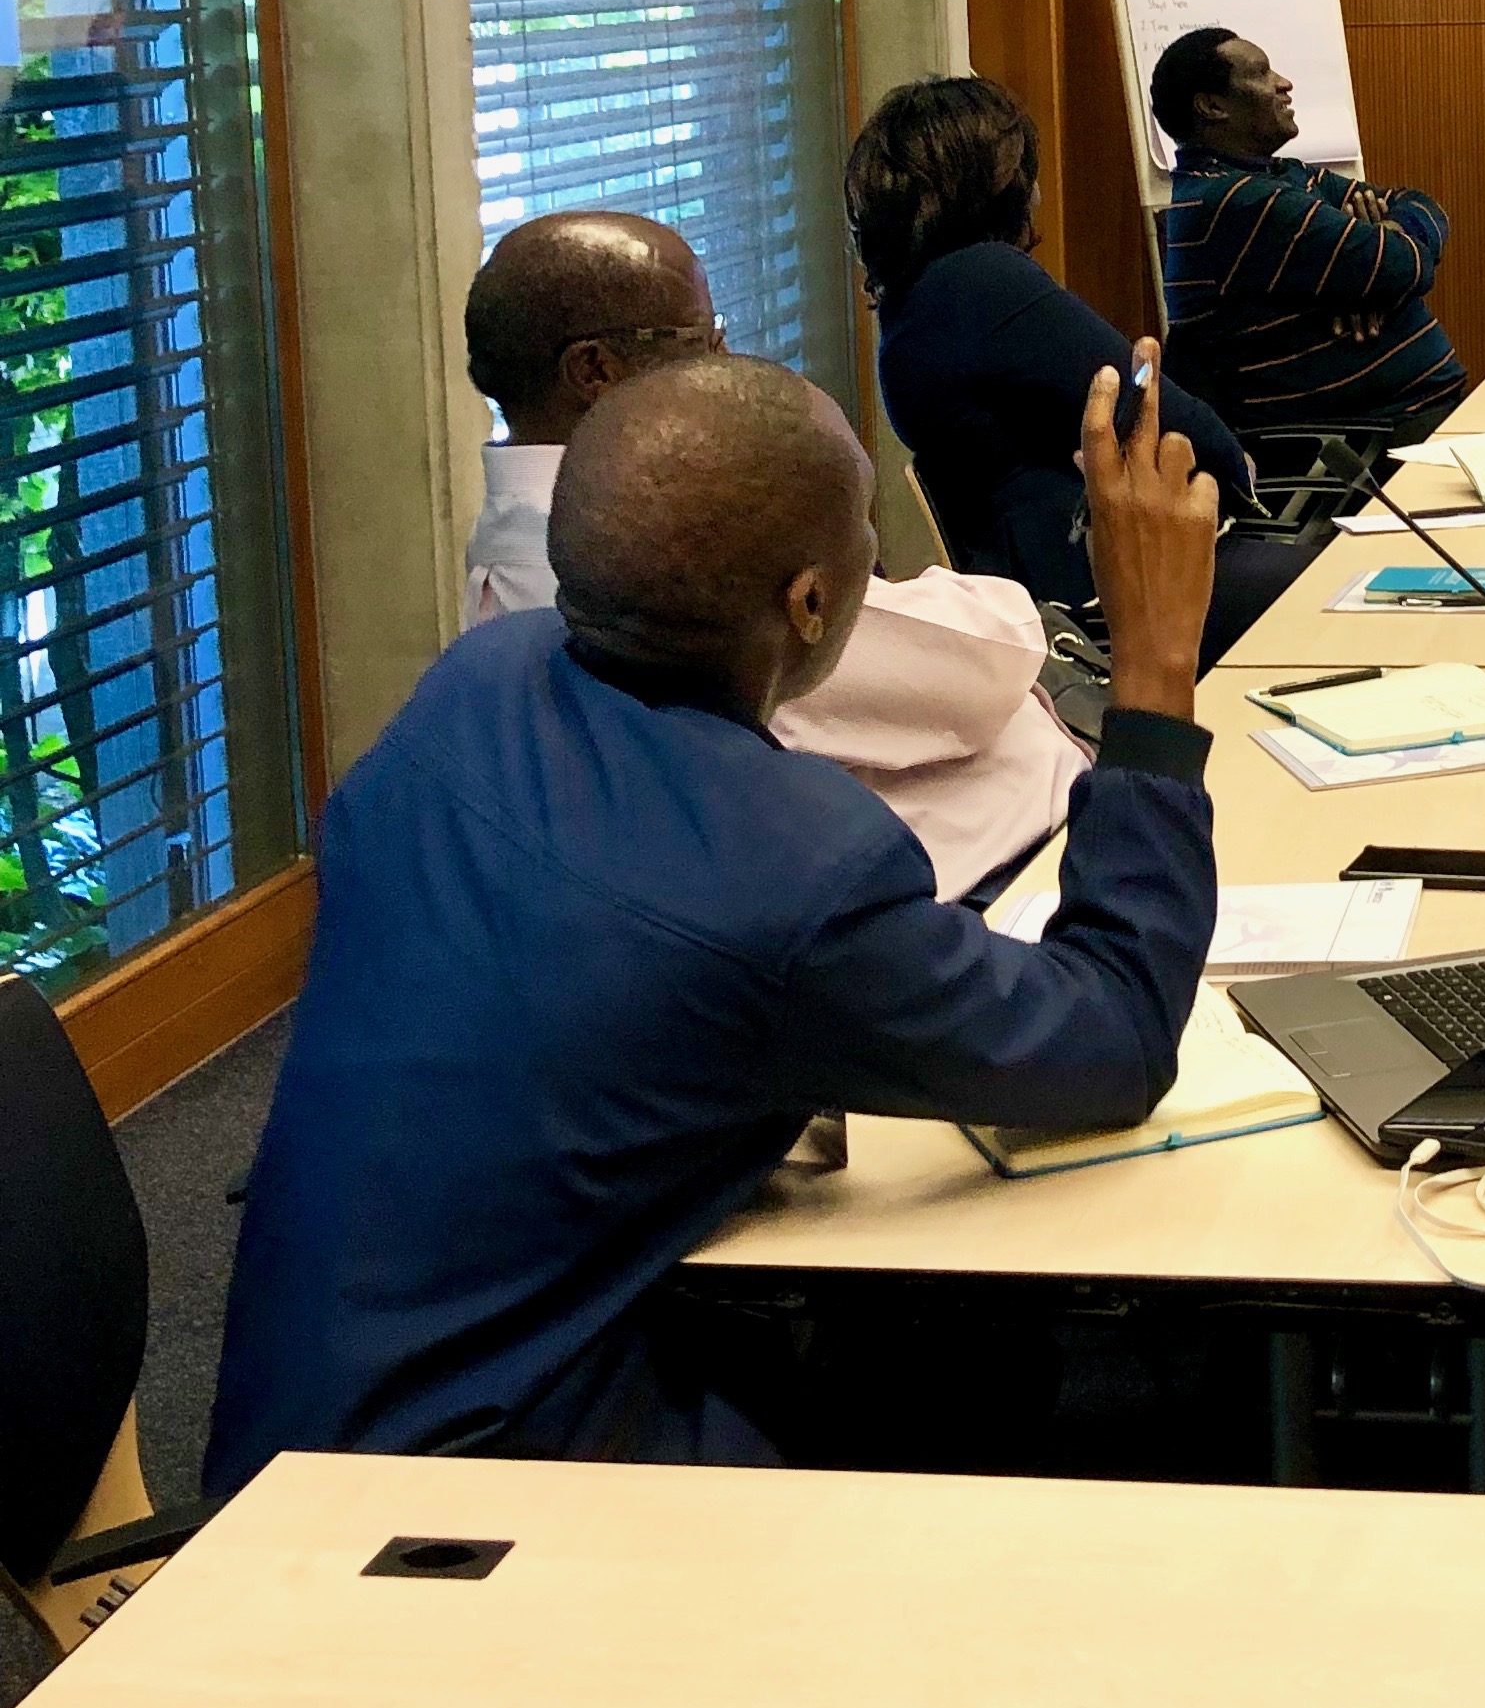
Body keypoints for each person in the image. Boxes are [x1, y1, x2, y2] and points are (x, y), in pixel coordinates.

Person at [204, 349, 1218, 1491]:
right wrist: (1154, 667)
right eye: (866, 532)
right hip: (457, 1502)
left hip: (288, 1440)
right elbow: (1117, 1039)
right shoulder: (795, 875)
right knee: (992, 1388)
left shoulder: (476, 680)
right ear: (812, 604)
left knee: (927, 1349)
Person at [460, 209, 1082, 901]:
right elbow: (971, 671)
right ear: (595, 370)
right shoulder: (641, 549)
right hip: (977, 877)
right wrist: (1017, 615)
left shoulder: (512, 542)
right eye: (700, 340)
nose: (724, 362)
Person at [849, 72, 1316, 663]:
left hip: (1051, 582)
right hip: (1105, 591)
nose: (1036, 190)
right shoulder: (983, 280)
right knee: (1345, 584)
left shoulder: (913, 302)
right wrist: (1240, 474)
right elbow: (1145, 395)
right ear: (991, 183)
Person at [1151, 25, 1465, 446]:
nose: (1284, 83)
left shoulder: (1282, 174)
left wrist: (1378, 251)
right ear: (1213, 106)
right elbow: (1406, 265)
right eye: (1261, 74)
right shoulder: (1238, 202)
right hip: (1365, 442)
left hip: (1408, 418)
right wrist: (1378, 265)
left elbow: (1424, 206)